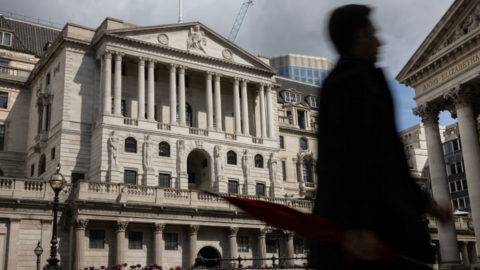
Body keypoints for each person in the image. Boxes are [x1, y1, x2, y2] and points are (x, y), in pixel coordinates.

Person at [309, 5, 452, 270]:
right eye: (374, 33)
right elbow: (345, 158)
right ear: (360, 36)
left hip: (378, 222)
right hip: (374, 227)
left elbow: (390, 157)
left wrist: (427, 203)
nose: (380, 40)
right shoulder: (350, 82)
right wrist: (356, 225)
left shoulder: (352, 80)